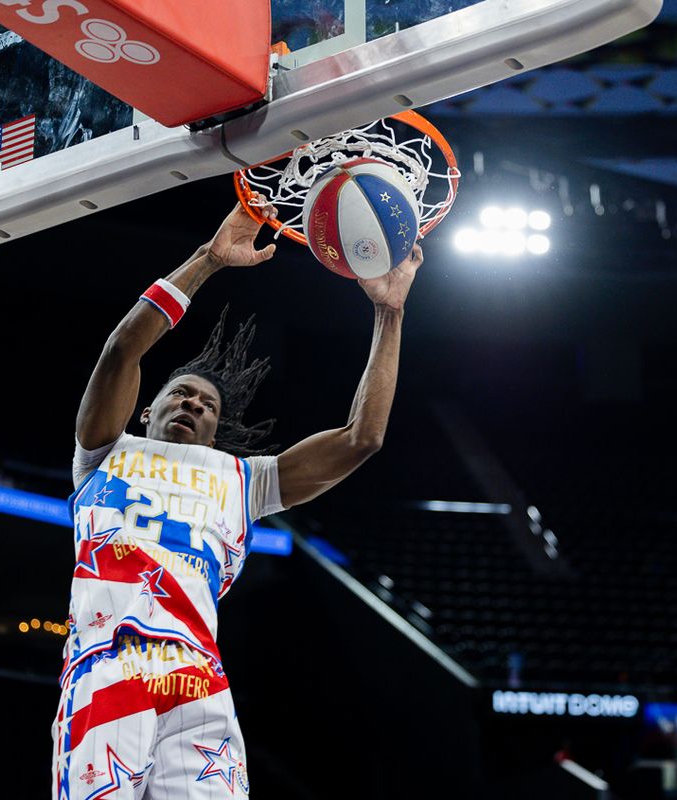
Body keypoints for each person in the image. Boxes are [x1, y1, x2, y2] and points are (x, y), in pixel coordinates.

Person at [51, 196, 423, 799]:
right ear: (147, 409)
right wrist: (209, 258)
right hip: (108, 661)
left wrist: (390, 312)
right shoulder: (105, 450)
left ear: (214, 430)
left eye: (207, 405)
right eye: (181, 393)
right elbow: (123, 348)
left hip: (199, 682)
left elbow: (363, 438)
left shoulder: (242, 480)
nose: (194, 403)